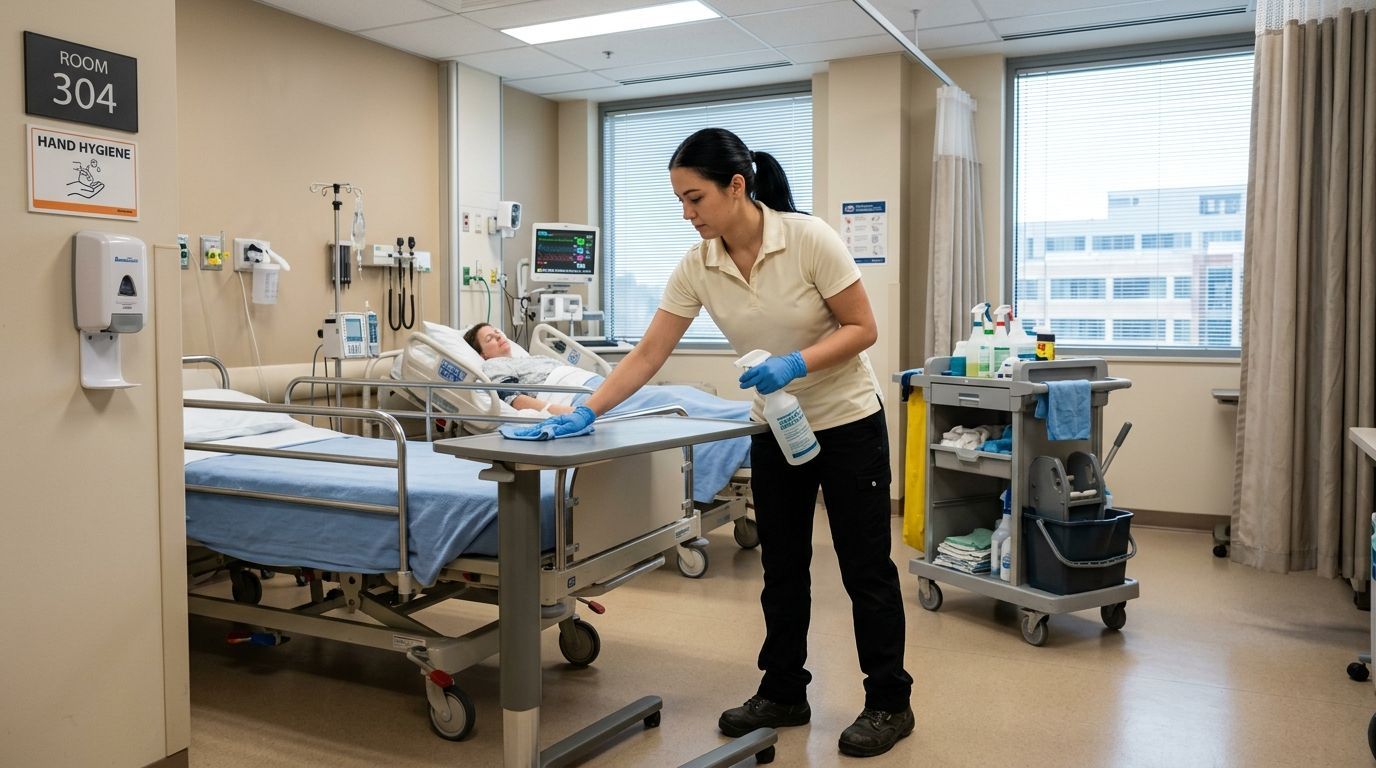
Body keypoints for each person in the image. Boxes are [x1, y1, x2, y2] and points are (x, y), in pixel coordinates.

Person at [520, 127, 914, 757]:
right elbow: (649, 353)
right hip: (777, 428)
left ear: (737, 187)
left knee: (864, 567)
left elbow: (863, 328)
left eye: (695, 198)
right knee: (782, 566)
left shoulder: (808, 238)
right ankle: (784, 688)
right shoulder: (698, 265)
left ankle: (889, 700)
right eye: (680, 200)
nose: (687, 214)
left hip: (845, 422)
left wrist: (795, 363)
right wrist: (584, 409)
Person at [461, 322, 598, 414]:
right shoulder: (494, 364)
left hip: (588, 381)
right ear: (482, 354)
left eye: (496, 332)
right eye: (490, 338)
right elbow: (514, 398)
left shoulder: (531, 359)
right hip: (572, 393)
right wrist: (564, 412)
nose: (498, 336)